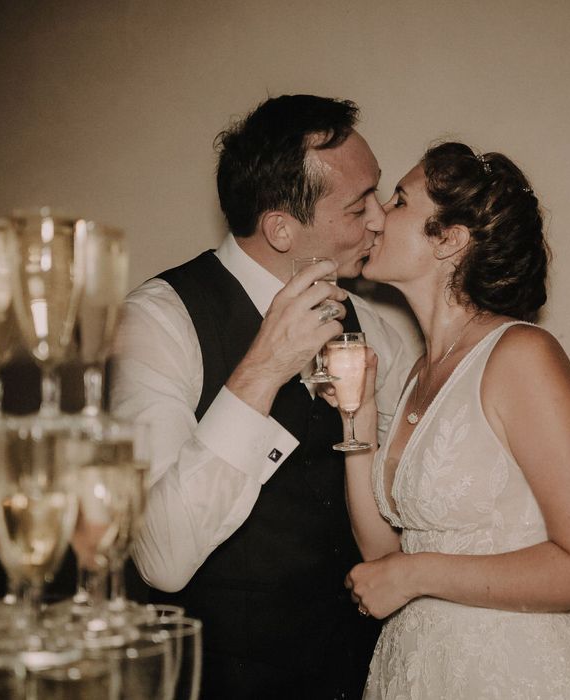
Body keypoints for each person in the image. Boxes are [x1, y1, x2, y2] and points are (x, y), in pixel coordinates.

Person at [110, 95, 415, 699]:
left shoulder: (377, 329)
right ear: (281, 229)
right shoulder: (159, 322)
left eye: (378, 195)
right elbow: (160, 557)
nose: (381, 219)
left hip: (357, 674)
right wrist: (264, 367)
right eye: (360, 206)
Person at [333, 141, 570, 698]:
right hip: (417, 671)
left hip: (511, 674)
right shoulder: (418, 372)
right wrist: (359, 415)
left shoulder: (521, 355)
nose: (374, 216)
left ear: (450, 239)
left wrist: (418, 575)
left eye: (397, 201)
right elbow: (383, 557)